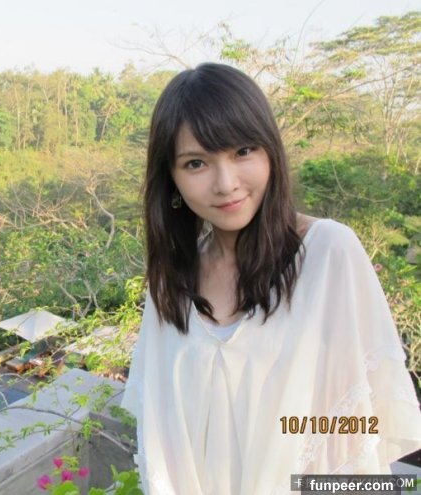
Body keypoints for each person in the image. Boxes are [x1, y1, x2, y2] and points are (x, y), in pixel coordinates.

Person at [121, 62, 421, 494]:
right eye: (196, 163)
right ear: (171, 179)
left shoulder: (327, 253)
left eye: (243, 151)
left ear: (270, 152)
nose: (226, 183)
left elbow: (360, 419)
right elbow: (159, 427)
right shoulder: (170, 280)